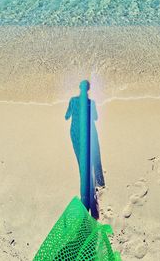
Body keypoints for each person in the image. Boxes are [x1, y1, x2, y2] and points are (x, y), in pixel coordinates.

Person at [65, 80, 105, 219]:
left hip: (76, 134)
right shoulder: (91, 103)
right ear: (88, 89)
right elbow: (95, 118)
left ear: (79, 88)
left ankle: (86, 195)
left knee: (82, 164)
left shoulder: (73, 100)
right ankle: (95, 186)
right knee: (92, 161)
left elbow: (66, 116)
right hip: (89, 133)